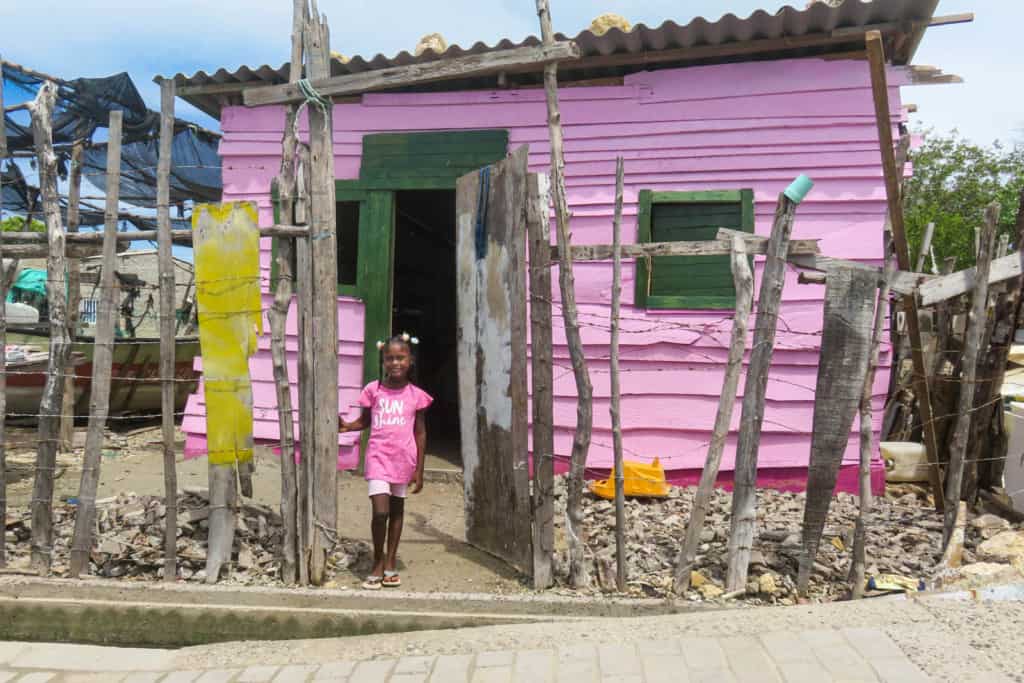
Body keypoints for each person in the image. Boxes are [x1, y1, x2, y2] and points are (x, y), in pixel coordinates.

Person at [339, 332, 432, 590]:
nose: (395, 363)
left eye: (400, 358)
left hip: (404, 459)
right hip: (378, 457)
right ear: (383, 361)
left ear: (410, 360)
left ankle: (390, 561)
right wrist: (347, 427)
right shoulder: (374, 390)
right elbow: (366, 420)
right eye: (389, 358)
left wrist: (419, 470)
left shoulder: (416, 395)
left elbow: (420, 433)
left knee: (397, 510)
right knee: (381, 512)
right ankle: (377, 560)